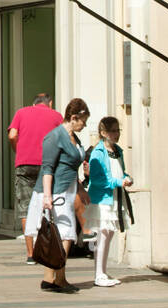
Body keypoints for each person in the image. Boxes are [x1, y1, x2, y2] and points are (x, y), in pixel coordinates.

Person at [24, 97, 91, 294]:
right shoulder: (55, 136)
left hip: (68, 190)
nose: (84, 125)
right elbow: (47, 168)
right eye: (83, 121)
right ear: (73, 117)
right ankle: (56, 278)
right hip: (55, 191)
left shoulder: (74, 138)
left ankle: (52, 277)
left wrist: (79, 188)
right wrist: (47, 196)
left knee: (61, 234)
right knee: (65, 233)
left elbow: (72, 168)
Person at [8, 93, 63, 264]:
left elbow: (12, 135)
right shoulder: (56, 116)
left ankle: (31, 254)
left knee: (26, 207)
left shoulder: (21, 112)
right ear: (50, 103)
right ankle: (47, 249)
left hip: (24, 164)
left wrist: (18, 150)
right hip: (48, 165)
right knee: (47, 205)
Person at [84, 116, 134, 287]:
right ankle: (99, 274)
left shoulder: (118, 150)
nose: (116, 134)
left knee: (109, 233)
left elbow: (121, 171)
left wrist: (126, 178)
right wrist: (119, 181)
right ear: (103, 133)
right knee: (103, 234)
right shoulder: (98, 152)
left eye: (117, 130)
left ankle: (102, 271)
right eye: (112, 131)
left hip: (115, 197)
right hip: (103, 199)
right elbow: (98, 179)